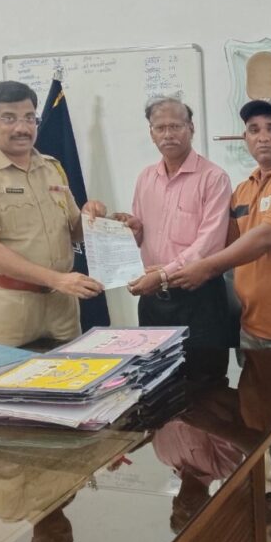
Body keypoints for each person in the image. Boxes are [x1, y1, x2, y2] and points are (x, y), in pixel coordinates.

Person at [169, 98, 271, 541]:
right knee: (265, 419)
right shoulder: (243, 189)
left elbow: (264, 238)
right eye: (254, 129)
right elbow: (219, 241)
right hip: (252, 328)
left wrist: (204, 268)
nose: (263, 136)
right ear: (244, 138)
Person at [82, 96, 233, 374]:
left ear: (191, 128)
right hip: (153, 300)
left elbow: (209, 244)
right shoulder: (146, 178)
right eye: (160, 128)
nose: (168, 134)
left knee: (205, 383)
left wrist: (163, 275)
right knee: (156, 380)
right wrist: (131, 232)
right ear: (151, 133)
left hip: (198, 298)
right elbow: (141, 239)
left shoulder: (213, 178)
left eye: (175, 126)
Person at [0, 80, 103, 347]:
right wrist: (58, 279)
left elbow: (74, 232)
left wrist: (91, 217)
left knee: (72, 371)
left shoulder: (51, 168)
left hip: (62, 306)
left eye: (29, 118)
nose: (21, 128)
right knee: (13, 374)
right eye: (9, 118)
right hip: (10, 307)